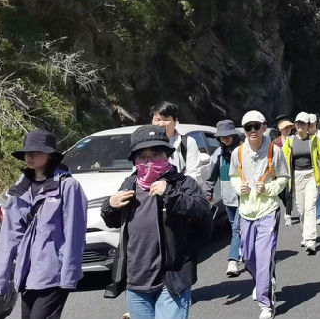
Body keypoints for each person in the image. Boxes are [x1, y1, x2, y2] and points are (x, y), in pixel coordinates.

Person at [101, 125, 213, 319]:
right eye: (143, 156)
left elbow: (203, 211)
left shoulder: (181, 183)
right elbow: (112, 221)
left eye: (156, 154)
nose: (150, 161)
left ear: (167, 156)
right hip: (136, 281)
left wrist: (170, 193)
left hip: (171, 279)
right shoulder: (130, 184)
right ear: (135, 160)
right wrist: (110, 204)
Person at [0, 130, 87, 319]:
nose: (30, 156)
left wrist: (68, 276)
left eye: (37, 152)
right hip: (27, 273)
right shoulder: (21, 186)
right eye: (27, 152)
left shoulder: (67, 186)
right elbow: (9, 235)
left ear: (50, 155)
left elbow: (74, 234)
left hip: (53, 274)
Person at [229, 111, 290, 319]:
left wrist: (270, 188)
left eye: (257, 126)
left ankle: (266, 304)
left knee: (264, 258)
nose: (253, 130)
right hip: (246, 211)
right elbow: (234, 176)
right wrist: (240, 187)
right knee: (248, 258)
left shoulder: (275, 151)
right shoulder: (237, 153)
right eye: (248, 127)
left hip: (268, 211)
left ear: (264, 127)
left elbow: (283, 177)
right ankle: (263, 281)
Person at [281, 112, 320, 255]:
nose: (300, 126)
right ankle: (305, 234)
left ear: (308, 126)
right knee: (301, 209)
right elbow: (282, 160)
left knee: (310, 207)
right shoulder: (289, 141)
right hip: (296, 177)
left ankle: (311, 239)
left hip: (311, 177)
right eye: (298, 123)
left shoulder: (314, 140)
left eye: (303, 123)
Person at [203, 120, 243, 278]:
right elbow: (211, 177)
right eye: (222, 137)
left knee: (236, 229)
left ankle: (233, 260)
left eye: (228, 136)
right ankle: (245, 251)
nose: (225, 139)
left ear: (234, 135)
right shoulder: (218, 154)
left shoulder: (242, 151)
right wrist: (208, 193)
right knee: (237, 228)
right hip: (228, 199)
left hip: (244, 197)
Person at [150, 101, 203, 183]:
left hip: (181, 192)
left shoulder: (187, 142)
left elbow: (193, 175)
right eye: (157, 120)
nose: (161, 124)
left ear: (175, 121)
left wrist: (171, 188)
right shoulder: (146, 144)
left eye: (166, 120)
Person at [272, 114, 296, 226]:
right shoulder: (276, 142)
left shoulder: (294, 140)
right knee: (281, 194)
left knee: (289, 193)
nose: (288, 130)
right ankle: (288, 208)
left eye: (289, 127)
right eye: (285, 128)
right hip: (278, 171)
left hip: (291, 170)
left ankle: (288, 216)